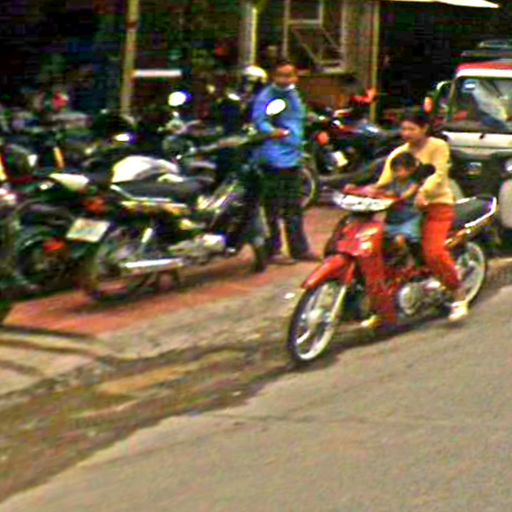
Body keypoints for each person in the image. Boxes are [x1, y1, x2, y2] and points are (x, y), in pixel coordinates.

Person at [377, 110, 468, 323]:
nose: (406, 133)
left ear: (424, 128)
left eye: (411, 128)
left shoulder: (438, 146)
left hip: (436, 206)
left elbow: (438, 174)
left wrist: (423, 192)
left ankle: (458, 295)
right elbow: (385, 180)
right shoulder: (399, 153)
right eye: (403, 129)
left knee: (434, 253)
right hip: (404, 211)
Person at [252, 59, 318, 264]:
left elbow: (299, 118)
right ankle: (273, 251)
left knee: (294, 207)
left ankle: (299, 249)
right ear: (273, 76)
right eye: (281, 75)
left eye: (289, 75)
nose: (285, 80)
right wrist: (273, 132)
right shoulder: (268, 96)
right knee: (272, 207)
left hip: (293, 157)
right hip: (274, 158)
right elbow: (260, 121)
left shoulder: (293, 94)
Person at [380, 152, 422, 254]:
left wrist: (395, 196)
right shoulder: (393, 182)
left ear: (410, 170)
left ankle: (407, 256)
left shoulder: (413, 185)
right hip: (392, 219)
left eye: (398, 170)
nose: (396, 174)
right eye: (394, 171)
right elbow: (381, 189)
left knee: (399, 240)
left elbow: (406, 195)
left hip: (408, 219)